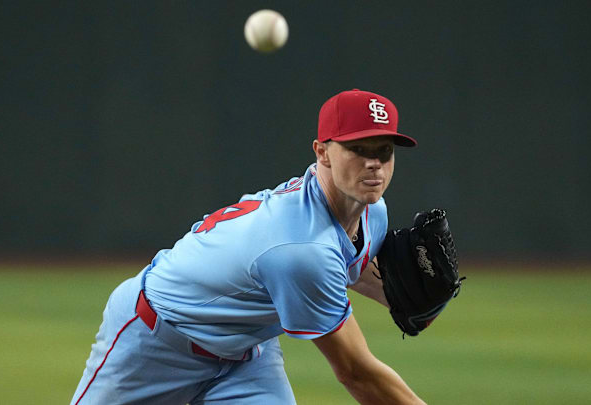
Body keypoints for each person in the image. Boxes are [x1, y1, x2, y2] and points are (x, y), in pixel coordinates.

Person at [71, 89, 426, 405]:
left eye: (383, 151)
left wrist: (415, 299)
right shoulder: (300, 249)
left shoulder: (372, 212)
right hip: (154, 345)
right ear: (323, 153)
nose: (374, 163)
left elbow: (350, 267)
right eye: (357, 149)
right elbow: (356, 372)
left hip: (246, 358)